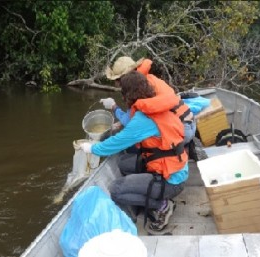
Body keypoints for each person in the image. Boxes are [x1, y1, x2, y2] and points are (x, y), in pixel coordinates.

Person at [80, 71, 189, 231]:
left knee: (115, 189)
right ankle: (154, 193)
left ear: (128, 95)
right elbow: (130, 126)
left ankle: (163, 204)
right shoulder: (156, 106)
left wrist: (91, 148)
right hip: (178, 171)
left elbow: (117, 142)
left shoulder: (143, 119)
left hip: (171, 182)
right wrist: (114, 108)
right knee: (123, 164)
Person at [101, 56, 196, 146]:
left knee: (134, 146)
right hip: (190, 123)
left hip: (182, 132)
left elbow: (129, 122)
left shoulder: (137, 88)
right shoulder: (148, 78)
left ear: (125, 77)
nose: (116, 83)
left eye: (118, 79)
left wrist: (114, 106)